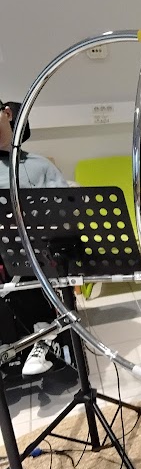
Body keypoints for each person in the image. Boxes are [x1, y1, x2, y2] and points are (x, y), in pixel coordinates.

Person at [0, 99, 70, 377]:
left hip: (33, 251)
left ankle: (43, 334)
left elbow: (66, 213)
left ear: (7, 114)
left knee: (28, 255)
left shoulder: (40, 166)